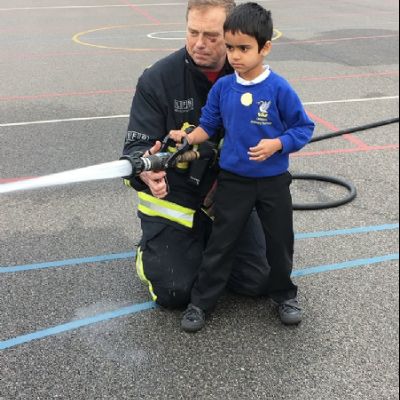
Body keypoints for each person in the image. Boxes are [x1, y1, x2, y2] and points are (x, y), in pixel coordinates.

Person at [170, 2, 315, 332]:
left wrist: (277, 144)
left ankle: (284, 295)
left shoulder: (279, 89)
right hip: (233, 182)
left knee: (279, 242)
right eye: (231, 47)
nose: (235, 56)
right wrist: (189, 136)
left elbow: (303, 128)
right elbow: (209, 126)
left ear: (265, 48)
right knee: (222, 242)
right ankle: (201, 302)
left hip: (273, 181)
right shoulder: (223, 88)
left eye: (244, 48)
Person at [122, 0, 272, 309]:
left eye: (212, 36)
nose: (199, 44)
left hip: (229, 196)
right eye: (193, 32)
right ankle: (151, 249)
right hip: (175, 199)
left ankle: (206, 240)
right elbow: (133, 151)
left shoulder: (254, 80)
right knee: (175, 292)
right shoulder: (158, 79)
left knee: (259, 280)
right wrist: (143, 171)